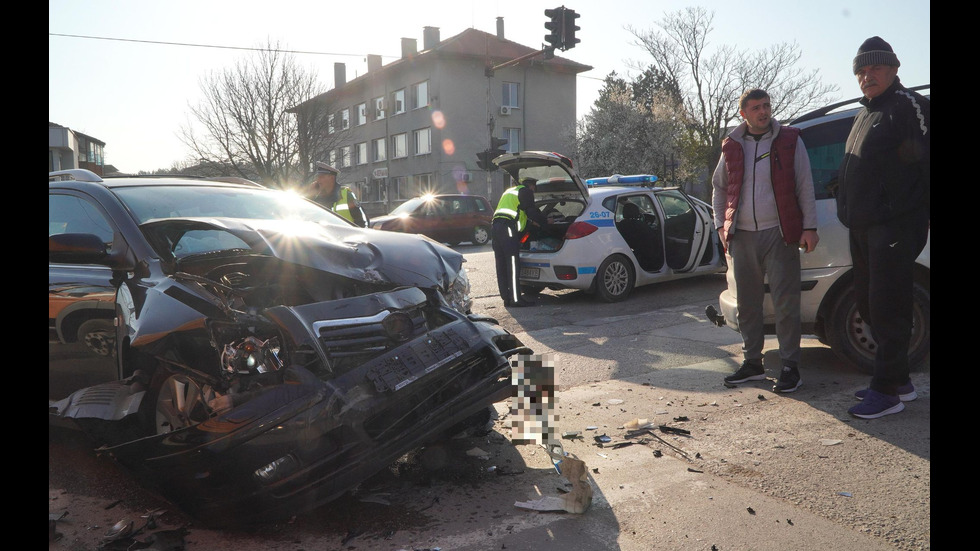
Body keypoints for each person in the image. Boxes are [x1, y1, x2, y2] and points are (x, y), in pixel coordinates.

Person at [838, 37, 930, 419]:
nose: (866, 76)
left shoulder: (910, 107)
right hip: (861, 227)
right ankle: (901, 381)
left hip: (895, 225)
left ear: (893, 68)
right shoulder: (866, 113)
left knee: (888, 307)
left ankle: (887, 390)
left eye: (874, 68)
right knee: (867, 304)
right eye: (861, 70)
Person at [711, 88, 820, 393]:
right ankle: (752, 363)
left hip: (780, 232)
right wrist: (721, 225)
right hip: (742, 236)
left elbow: (804, 184)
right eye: (756, 107)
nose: (763, 112)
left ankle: (789, 366)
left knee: (786, 303)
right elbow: (719, 187)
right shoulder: (731, 145)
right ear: (743, 113)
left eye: (766, 106)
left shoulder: (789, 140)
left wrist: (809, 226)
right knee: (748, 304)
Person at [492, 176, 549, 307]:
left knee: (501, 264)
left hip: (495, 227)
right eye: (534, 189)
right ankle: (516, 299)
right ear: (532, 186)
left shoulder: (510, 192)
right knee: (512, 263)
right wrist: (545, 221)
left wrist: (532, 223)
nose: (533, 192)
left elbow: (521, 215)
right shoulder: (526, 192)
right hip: (507, 227)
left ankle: (506, 298)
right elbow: (532, 213)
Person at [308, 161, 368, 227]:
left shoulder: (346, 194)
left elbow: (362, 221)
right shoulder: (317, 197)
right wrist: (310, 195)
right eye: (318, 177)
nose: (318, 180)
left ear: (332, 178)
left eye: (321, 177)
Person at [617, 202, 663, 271]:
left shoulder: (621, 225)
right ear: (637, 212)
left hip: (631, 251)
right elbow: (652, 237)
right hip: (645, 256)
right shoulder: (641, 226)